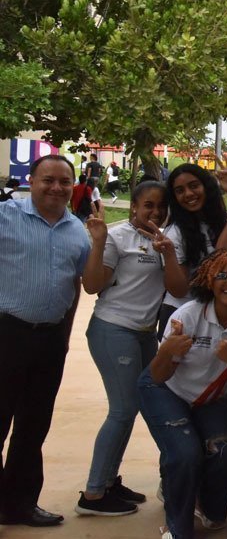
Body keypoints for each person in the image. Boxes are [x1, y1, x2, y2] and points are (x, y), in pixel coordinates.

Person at [138, 249, 227, 539]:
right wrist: (170, 351)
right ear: (209, 279)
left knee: (226, 451)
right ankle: (177, 527)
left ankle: (207, 507)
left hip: (209, 400)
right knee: (184, 454)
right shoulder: (189, 314)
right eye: (221, 275)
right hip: (166, 390)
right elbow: (159, 375)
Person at [0, 155, 91, 527]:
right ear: (31, 181)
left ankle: (18, 505)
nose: (56, 188)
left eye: (64, 182)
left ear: (73, 186)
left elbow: (74, 287)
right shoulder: (5, 217)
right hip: (6, 334)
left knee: (33, 426)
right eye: (48, 180)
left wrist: (65, 338)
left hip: (50, 340)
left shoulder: (78, 231)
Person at [77, 182, 169, 517]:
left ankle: (108, 482)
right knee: (122, 409)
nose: (155, 212)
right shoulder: (117, 237)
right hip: (114, 329)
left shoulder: (163, 239)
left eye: (161, 206)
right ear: (133, 207)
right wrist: (99, 242)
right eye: (148, 205)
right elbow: (91, 285)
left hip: (145, 334)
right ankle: (93, 494)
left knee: (132, 409)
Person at [156, 163, 227, 337]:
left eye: (194, 186)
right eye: (180, 190)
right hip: (179, 314)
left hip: (210, 314)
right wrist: (170, 255)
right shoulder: (175, 233)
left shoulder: (218, 224)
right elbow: (179, 290)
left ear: (207, 187)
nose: (188, 194)